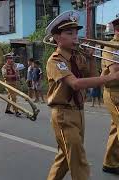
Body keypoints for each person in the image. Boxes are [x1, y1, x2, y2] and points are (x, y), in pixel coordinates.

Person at [45, 11, 119, 180]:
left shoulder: (78, 57)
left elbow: (95, 79)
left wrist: (92, 60)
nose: (75, 37)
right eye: (69, 34)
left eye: (76, 33)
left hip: (79, 112)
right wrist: (112, 76)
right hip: (63, 114)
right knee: (79, 160)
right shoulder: (55, 60)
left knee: (65, 159)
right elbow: (76, 84)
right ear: (56, 38)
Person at [101, 17, 119, 175]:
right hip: (114, 94)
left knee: (116, 127)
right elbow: (115, 73)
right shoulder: (112, 47)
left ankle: (110, 163)